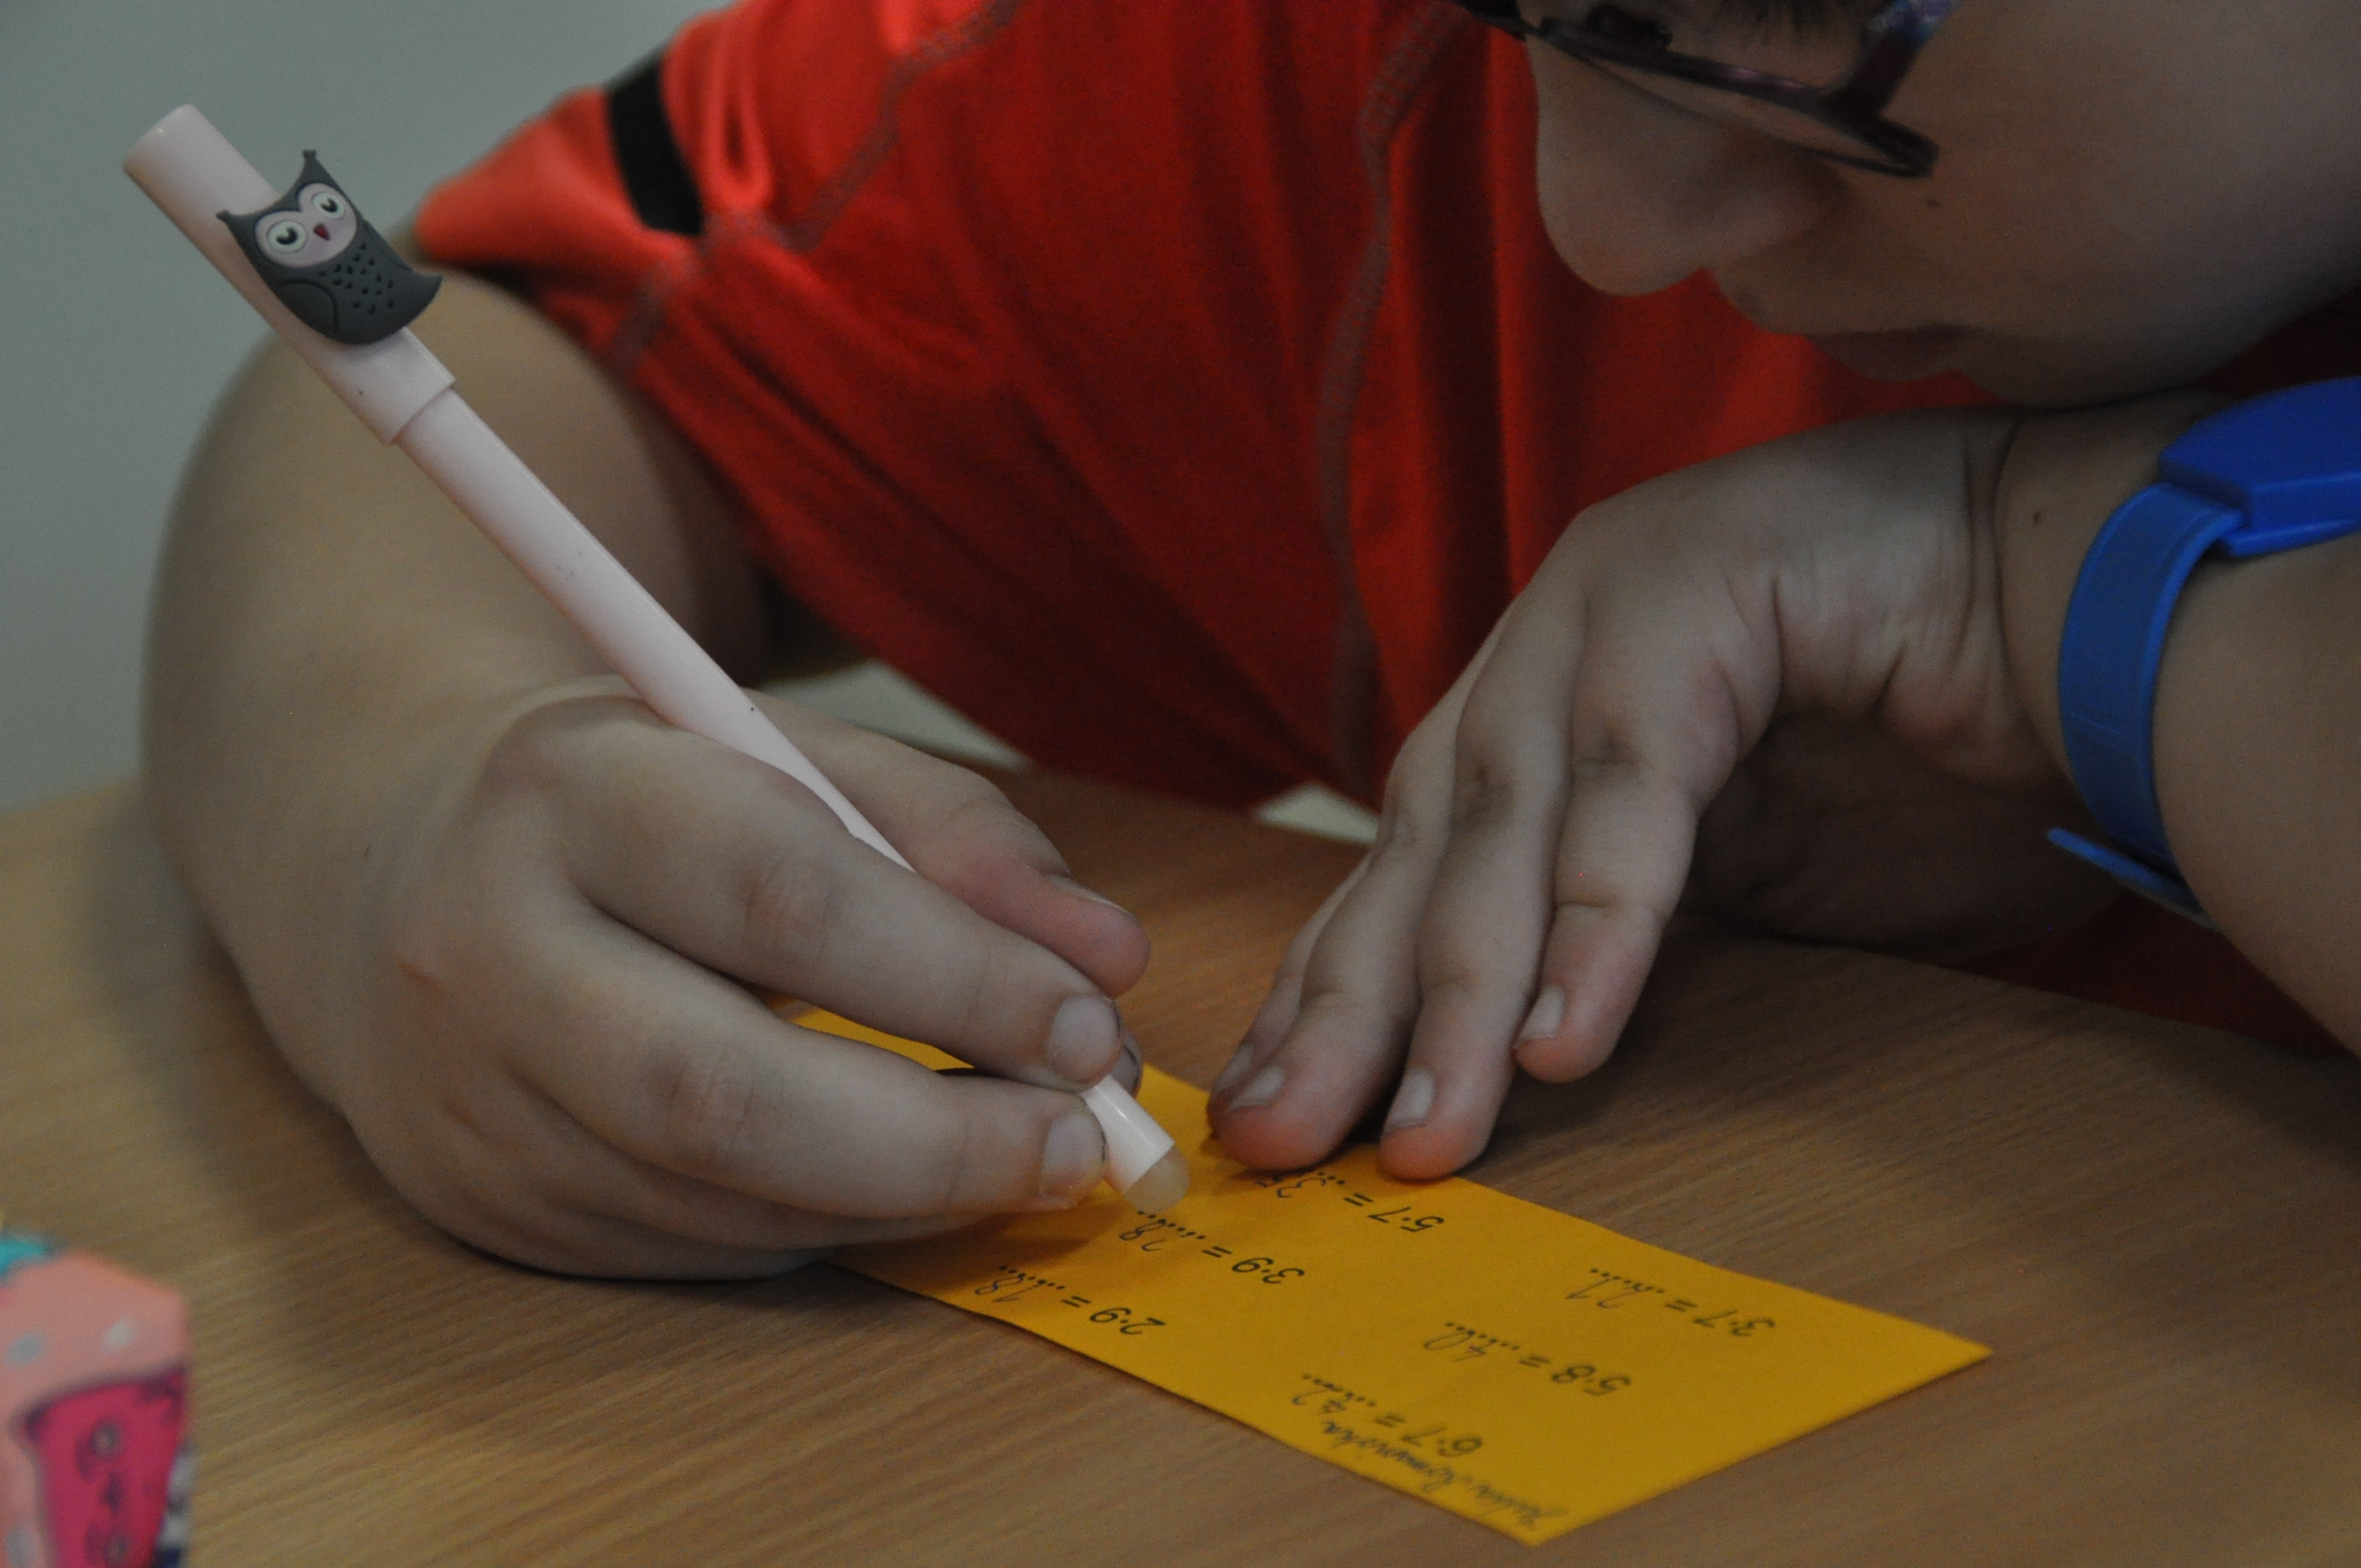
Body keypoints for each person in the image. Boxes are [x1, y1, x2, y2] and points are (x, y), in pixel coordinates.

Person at [145, 0, 2361, 1277]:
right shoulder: (1383, 74)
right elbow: (517, 363)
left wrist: (2066, 597)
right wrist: (393, 811)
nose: (1599, 224)